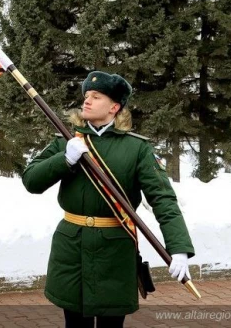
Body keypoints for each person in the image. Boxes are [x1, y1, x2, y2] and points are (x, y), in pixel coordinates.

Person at [22, 71, 195, 328]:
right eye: (86, 96)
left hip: (115, 249)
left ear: (114, 107)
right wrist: (65, 159)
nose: (87, 101)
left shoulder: (137, 148)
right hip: (72, 247)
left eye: (96, 96)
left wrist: (178, 247)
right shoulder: (66, 142)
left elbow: (163, 199)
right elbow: (31, 181)